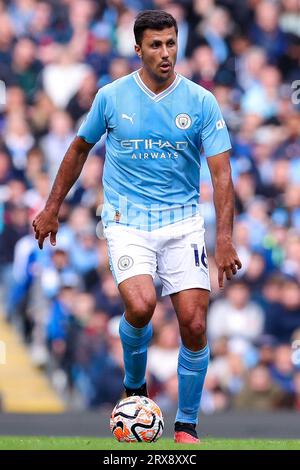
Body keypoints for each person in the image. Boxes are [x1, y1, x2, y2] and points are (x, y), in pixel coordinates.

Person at [32, 10, 242, 444]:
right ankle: (134, 386)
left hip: (183, 222)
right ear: (138, 49)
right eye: (155, 45)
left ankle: (186, 425)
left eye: (171, 43)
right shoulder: (112, 97)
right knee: (142, 304)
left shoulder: (201, 101)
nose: (165, 53)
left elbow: (221, 175)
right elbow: (78, 149)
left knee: (195, 323)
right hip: (128, 220)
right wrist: (52, 207)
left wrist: (223, 239)